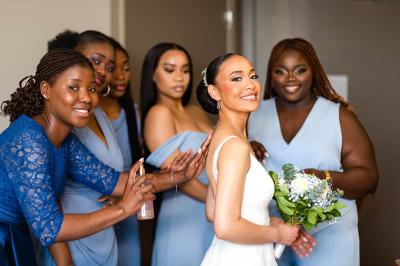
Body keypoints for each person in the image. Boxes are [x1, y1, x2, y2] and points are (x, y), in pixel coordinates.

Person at [0, 48, 154, 266]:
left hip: (15, 234)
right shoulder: (29, 139)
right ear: (45, 89)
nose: (87, 97)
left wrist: (177, 175)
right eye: (74, 87)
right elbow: (49, 227)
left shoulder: (65, 141)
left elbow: (113, 181)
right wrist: (122, 209)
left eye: (92, 89)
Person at [247, 38, 379, 266]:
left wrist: (323, 178)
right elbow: (228, 160)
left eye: (300, 70)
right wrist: (244, 148)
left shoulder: (340, 117)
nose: (290, 78)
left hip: (330, 237)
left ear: (313, 72)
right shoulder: (253, 114)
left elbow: (369, 177)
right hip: (270, 233)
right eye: (281, 71)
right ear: (271, 75)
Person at [196, 53, 300, 266]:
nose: (250, 85)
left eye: (253, 76)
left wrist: (269, 221)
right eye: (236, 79)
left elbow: (212, 211)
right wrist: (277, 234)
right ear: (214, 92)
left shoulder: (222, 138)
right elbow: (225, 227)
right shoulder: (235, 146)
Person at [140, 42, 214, 266]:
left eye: (185, 69)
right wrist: (223, 205)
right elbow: (180, 180)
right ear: (153, 74)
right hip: (185, 213)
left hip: (212, 210)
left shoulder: (196, 110)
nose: (180, 77)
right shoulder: (158, 113)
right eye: (170, 70)